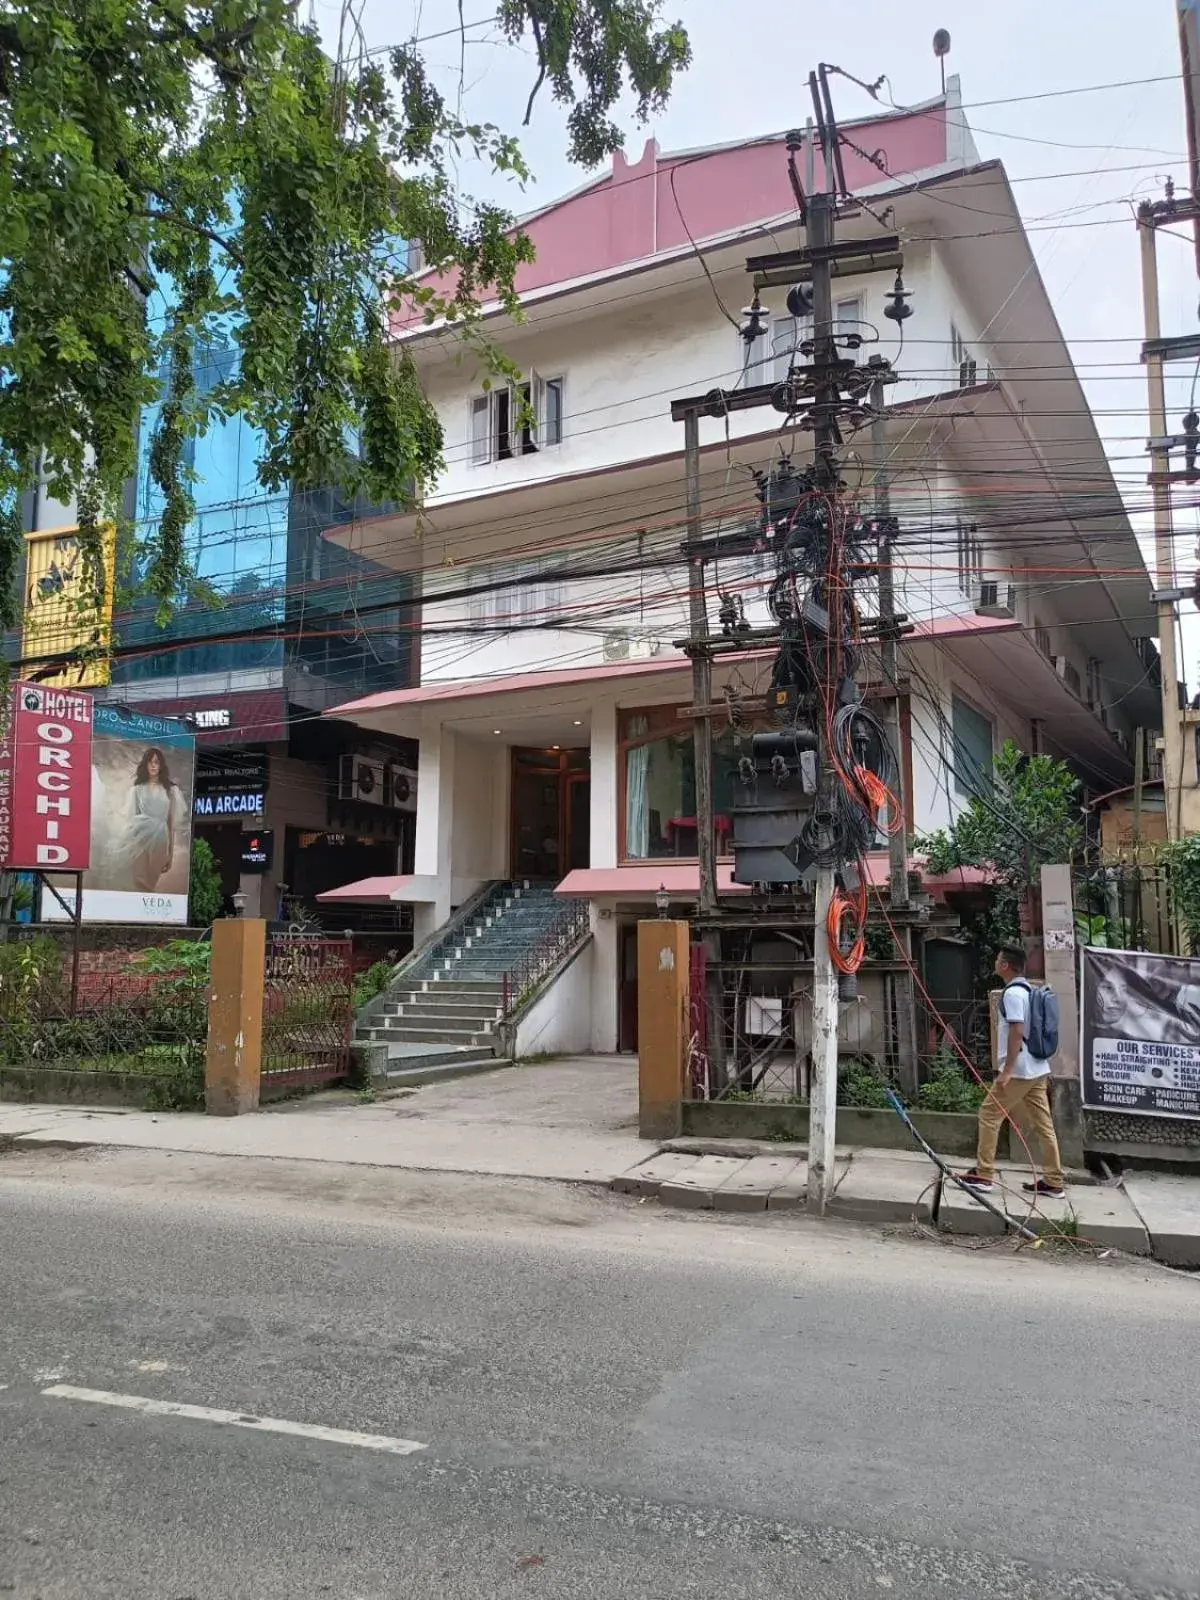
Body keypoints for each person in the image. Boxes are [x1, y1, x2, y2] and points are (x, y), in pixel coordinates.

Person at [959, 946, 1065, 1198]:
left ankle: (984, 1175)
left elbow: (1017, 1030)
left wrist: (1006, 1071)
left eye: (997, 959)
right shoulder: (1028, 990)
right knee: (1043, 1125)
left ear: (1005, 966)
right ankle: (1053, 1180)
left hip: (1019, 1070)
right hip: (1037, 1068)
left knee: (989, 1114)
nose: (995, 962)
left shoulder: (1013, 994)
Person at [125, 746, 180, 892]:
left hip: (161, 839)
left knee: (151, 880)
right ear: (145, 764)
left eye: (157, 762)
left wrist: (171, 855)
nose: (153, 765)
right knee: (138, 878)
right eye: (150, 762)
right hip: (140, 838)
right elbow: (132, 820)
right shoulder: (137, 789)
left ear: (161, 765)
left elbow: (171, 824)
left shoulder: (171, 790)